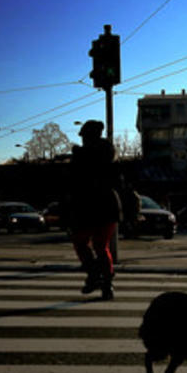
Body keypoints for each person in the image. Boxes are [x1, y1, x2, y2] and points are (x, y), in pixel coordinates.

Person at [68, 120, 121, 300]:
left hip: (87, 207)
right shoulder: (109, 156)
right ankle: (107, 284)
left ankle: (94, 275)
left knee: (80, 242)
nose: (81, 139)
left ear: (88, 136)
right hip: (109, 207)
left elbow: (73, 184)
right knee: (101, 246)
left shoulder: (81, 157)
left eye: (83, 135)